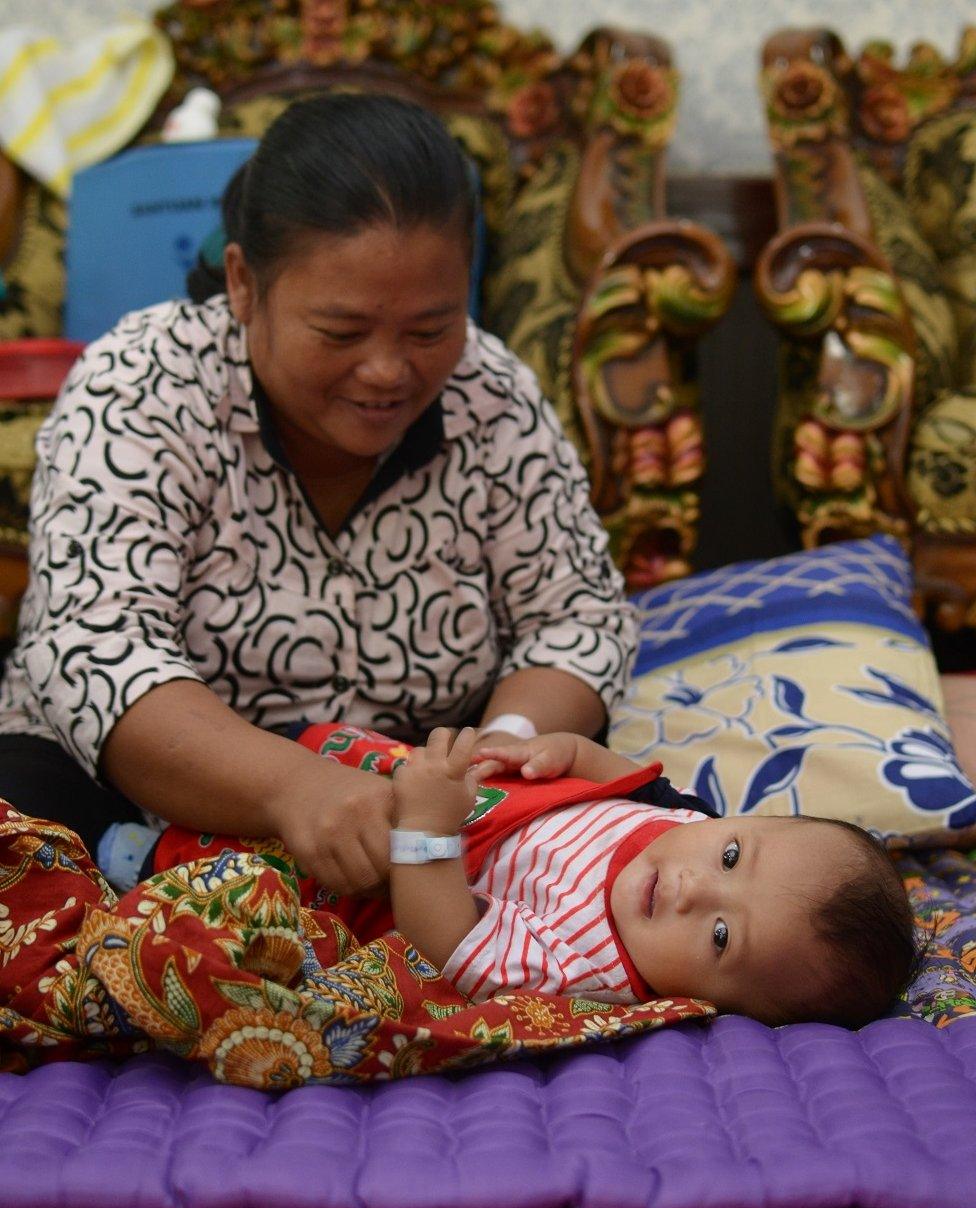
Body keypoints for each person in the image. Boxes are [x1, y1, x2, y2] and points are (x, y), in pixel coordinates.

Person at [0, 93, 635, 884]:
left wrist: (503, 753)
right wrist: (292, 788)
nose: (388, 372)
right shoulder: (142, 383)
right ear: (242, 283)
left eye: (431, 329)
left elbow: (575, 617)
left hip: (413, 808)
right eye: (340, 332)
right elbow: (98, 647)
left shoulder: (491, 392)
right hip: (120, 796)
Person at [107, 720, 920, 1029]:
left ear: (709, 1002)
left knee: (236, 880)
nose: (694, 885)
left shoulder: (588, 968)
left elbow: (451, 945)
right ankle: (198, 777)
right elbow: (630, 779)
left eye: (719, 935)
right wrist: (565, 754)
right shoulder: (692, 829)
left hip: (379, 871)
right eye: (734, 856)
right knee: (293, 773)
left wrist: (426, 831)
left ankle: (134, 856)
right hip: (416, 781)